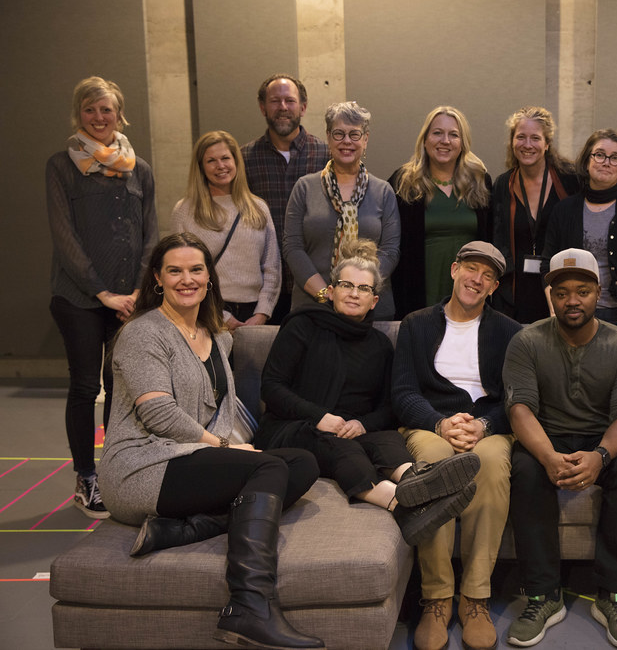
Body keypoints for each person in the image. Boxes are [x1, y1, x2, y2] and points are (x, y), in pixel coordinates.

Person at [98, 233, 324, 649]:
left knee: (302, 462)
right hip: (141, 466)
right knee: (268, 466)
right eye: (175, 271)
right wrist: (224, 449)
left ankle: (185, 530)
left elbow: (222, 411)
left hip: (188, 456)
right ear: (157, 279)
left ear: (209, 278)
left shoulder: (218, 336)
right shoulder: (144, 333)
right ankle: (249, 607)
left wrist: (228, 448)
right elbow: (159, 414)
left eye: (196, 269)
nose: (187, 279)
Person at [254, 238, 478, 546]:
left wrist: (363, 424)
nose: (354, 293)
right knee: (339, 445)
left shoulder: (380, 346)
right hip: (294, 427)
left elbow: (388, 408)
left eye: (363, 289)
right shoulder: (302, 326)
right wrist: (320, 417)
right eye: (347, 285)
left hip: (352, 428)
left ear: (374, 301)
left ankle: (416, 480)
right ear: (331, 291)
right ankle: (404, 508)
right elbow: (272, 387)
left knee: (387, 438)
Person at [504, 248, 617, 650]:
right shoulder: (527, 341)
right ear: (550, 295)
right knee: (526, 471)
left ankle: (615, 596)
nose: (573, 300)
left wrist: (601, 456)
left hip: (603, 440)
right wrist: (548, 457)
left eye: (583, 291)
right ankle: (542, 596)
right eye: (563, 292)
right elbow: (520, 410)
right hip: (547, 438)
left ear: (598, 292)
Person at [392, 241, 521, 650]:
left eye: (487, 275)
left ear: (494, 286)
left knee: (492, 467)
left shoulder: (508, 331)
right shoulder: (415, 324)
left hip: (486, 426)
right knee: (432, 465)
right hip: (432, 422)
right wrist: (439, 423)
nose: (476, 279)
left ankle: (476, 597)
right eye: (471, 269)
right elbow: (403, 391)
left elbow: (515, 399)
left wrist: (483, 425)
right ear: (453, 270)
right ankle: (436, 597)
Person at [46, 76, 158, 519]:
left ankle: (114, 469)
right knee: (86, 386)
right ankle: (85, 477)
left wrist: (137, 289)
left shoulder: (139, 168)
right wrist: (103, 293)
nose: (98, 118)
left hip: (130, 297)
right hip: (79, 297)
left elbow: (150, 232)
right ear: (79, 114)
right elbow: (64, 236)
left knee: (120, 388)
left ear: (119, 114)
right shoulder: (61, 165)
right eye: (90, 110)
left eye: (106, 110)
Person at [282, 101, 401, 317]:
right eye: (339, 133)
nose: (347, 141)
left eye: (354, 134)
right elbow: (293, 248)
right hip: (313, 307)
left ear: (365, 139)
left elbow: (390, 251)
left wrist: (360, 292)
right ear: (328, 137)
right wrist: (326, 294)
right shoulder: (304, 187)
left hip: (371, 312)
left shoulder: (383, 191)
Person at [544, 129, 617, 334]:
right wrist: (555, 310)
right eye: (599, 155)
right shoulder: (564, 210)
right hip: (574, 314)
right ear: (587, 160)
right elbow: (548, 265)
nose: (606, 162)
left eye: (615, 157)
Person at [241, 74, 330, 323]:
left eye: (289, 101)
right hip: (262, 290)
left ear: (303, 107)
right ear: (262, 107)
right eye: (274, 101)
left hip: (316, 285)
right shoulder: (243, 159)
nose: (282, 108)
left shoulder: (326, 156)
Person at [389, 106, 492, 319]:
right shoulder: (403, 183)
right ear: (425, 139)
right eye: (437, 133)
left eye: (453, 135)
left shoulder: (480, 181)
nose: (445, 140)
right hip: (419, 293)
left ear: (462, 143)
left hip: (471, 290)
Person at [172, 130, 280, 329]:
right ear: (201, 167)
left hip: (255, 313)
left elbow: (272, 268)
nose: (220, 166)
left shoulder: (258, 208)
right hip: (206, 312)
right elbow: (182, 273)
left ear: (236, 161)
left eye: (225, 158)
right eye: (211, 161)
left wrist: (262, 313)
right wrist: (221, 316)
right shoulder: (185, 211)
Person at [491, 106, 580, 323]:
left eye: (535, 138)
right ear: (512, 142)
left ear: (547, 143)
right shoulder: (504, 184)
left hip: (561, 287)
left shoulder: (570, 179)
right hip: (515, 292)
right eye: (520, 137)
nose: (527, 145)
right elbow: (496, 238)